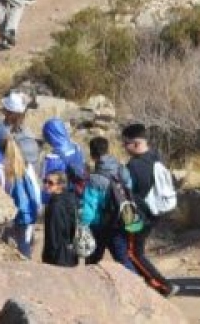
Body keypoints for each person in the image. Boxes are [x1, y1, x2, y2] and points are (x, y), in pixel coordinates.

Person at [121, 123, 177, 296]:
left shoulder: (135, 166)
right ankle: (158, 284)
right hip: (154, 212)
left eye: (126, 143)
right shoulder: (155, 157)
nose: (124, 147)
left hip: (139, 216)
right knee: (137, 252)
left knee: (133, 253)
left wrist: (126, 219)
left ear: (136, 143)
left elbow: (131, 195)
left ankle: (163, 286)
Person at [81, 136, 136, 269]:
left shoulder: (95, 179)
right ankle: (137, 285)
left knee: (92, 260)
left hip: (100, 224)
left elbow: (89, 207)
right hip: (121, 219)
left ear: (92, 154)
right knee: (123, 259)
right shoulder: (121, 169)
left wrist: (83, 225)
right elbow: (129, 187)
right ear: (107, 149)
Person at [2, 137, 42, 258]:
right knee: (24, 241)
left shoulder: (5, 168)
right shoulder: (27, 168)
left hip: (16, 214)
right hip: (28, 212)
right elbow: (35, 191)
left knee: (16, 243)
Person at [42, 171, 81, 267]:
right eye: (45, 181)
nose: (46, 185)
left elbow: (54, 235)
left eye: (50, 183)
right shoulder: (69, 199)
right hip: (69, 253)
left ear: (60, 185)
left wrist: (48, 257)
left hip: (57, 257)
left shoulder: (55, 206)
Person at [2, 92, 40, 169]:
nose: (2, 110)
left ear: (9, 113)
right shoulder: (28, 133)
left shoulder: (2, 132)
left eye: (4, 109)